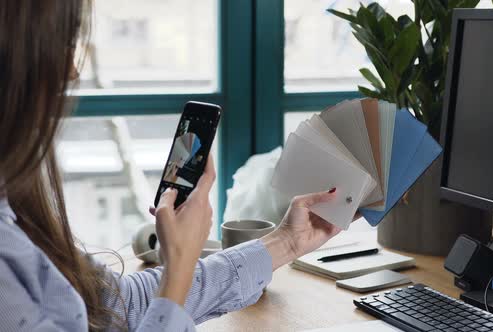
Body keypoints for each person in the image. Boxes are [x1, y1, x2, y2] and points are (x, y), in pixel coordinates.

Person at [0, 1, 345, 331]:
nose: (72, 70)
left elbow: (121, 307)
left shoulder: (13, 213)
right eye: (63, 41)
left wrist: (288, 241)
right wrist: (177, 265)